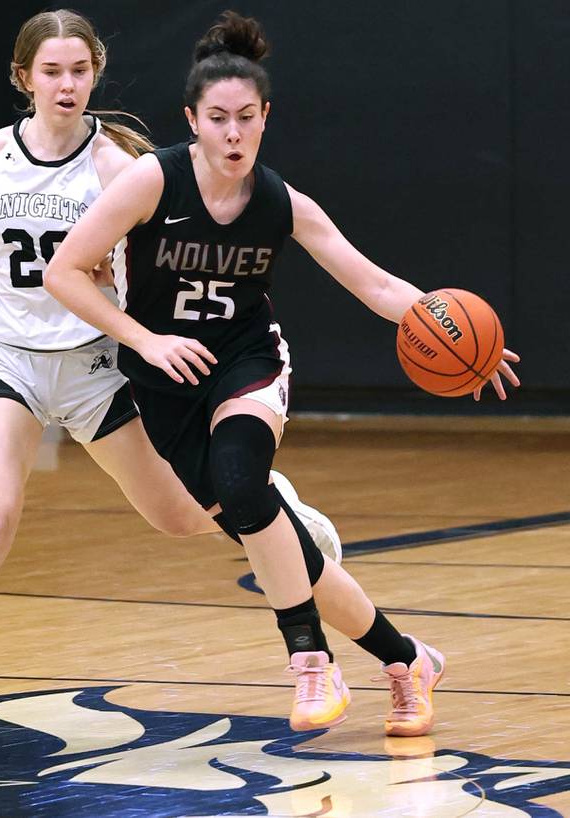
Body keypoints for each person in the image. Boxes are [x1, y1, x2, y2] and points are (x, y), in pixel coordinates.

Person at [0, 9, 344, 762]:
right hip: (12, 360)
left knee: (183, 518)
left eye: (80, 70)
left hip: (98, 367)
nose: (67, 84)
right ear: (24, 77)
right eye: (52, 71)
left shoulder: (124, 168)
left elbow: (182, 262)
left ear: (96, 73)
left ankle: (276, 503)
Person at [44, 11, 520, 737]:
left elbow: (374, 285)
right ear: (191, 121)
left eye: (245, 118)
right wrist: (146, 338)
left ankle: (309, 663)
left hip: (247, 363)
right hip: (165, 380)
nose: (232, 134)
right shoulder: (151, 182)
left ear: (266, 117)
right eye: (216, 119)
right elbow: (65, 271)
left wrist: (462, 339)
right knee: (282, 548)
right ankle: (407, 660)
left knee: (242, 485)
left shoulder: (279, 202)